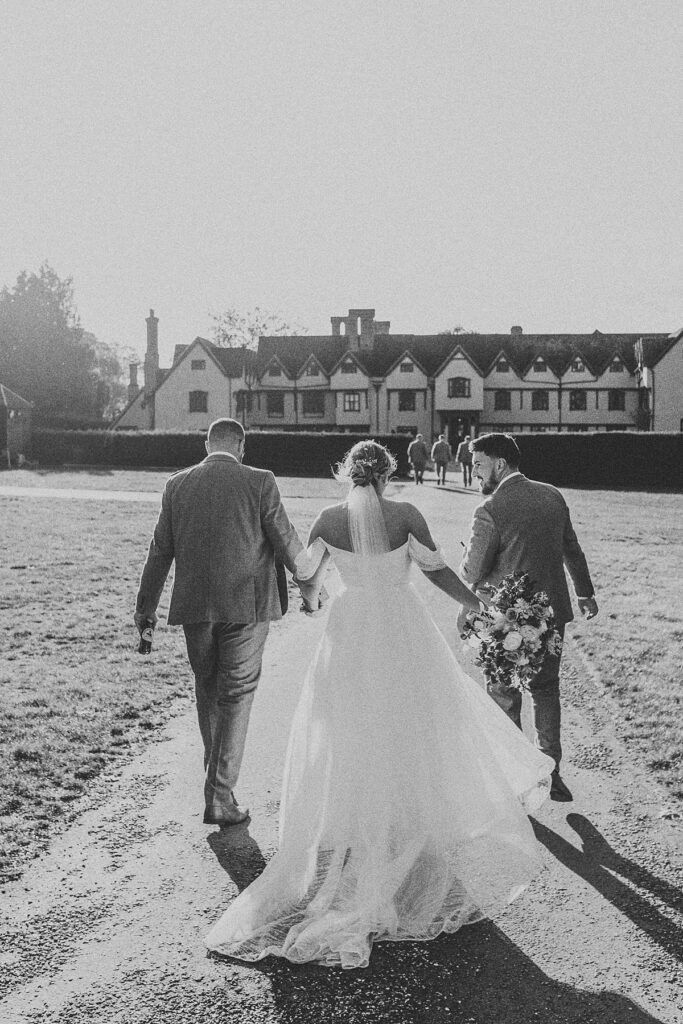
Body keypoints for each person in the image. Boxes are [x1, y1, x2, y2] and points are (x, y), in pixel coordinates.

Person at [206, 440, 554, 969]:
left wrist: (312, 596)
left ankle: (355, 818)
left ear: (347, 473)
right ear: (388, 475)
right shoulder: (407, 513)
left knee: (347, 725)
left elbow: (307, 572)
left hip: (349, 630)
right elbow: (437, 571)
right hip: (400, 625)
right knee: (413, 719)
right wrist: (476, 605)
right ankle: (405, 820)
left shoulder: (327, 517)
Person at [134, 418, 317, 827]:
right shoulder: (260, 480)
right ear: (241, 445)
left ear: (206, 444)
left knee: (209, 689)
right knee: (237, 695)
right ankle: (219, 796)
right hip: (246, 607)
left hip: (195, 608)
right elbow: (286, 539)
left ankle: (219, 786)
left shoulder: (177, 484)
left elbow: (159, 550)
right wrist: (310, 586)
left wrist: (145, 607)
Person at [459, 432, 598, 803]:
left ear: (499, 464)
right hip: (552, 613)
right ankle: (551, 773)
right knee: (546, 690)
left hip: (505, 620)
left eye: (478, 465)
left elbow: (473, 570)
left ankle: (515, 777)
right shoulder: (552, 495)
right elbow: (572, 547)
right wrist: (585, 593)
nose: (474, 472)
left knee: (504, 694)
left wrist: (465, 559)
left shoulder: (489, 508)